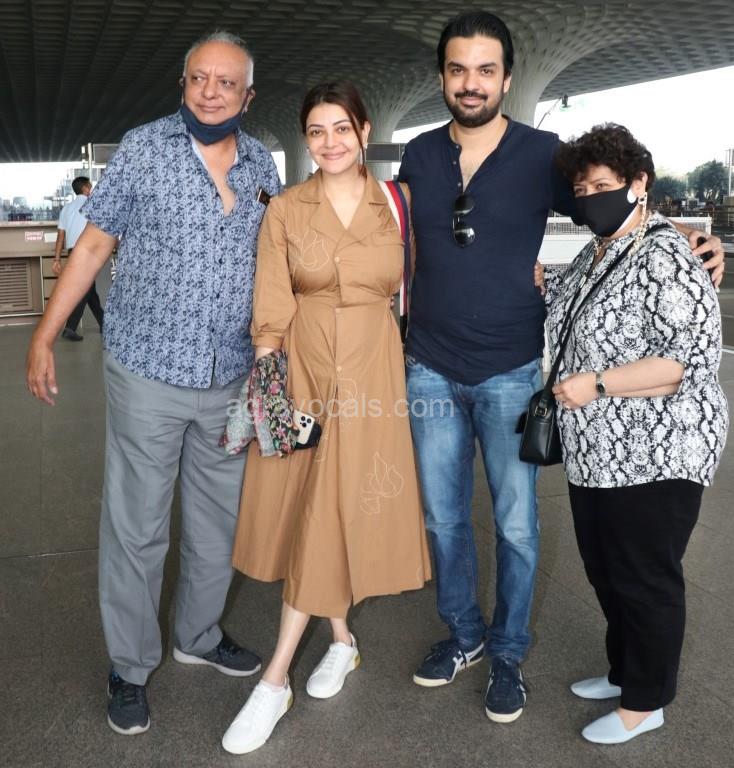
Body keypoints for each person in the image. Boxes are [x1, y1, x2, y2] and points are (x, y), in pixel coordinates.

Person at [397, 10, 726, 724]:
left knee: (516, 525)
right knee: (443, 519)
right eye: (458, 69)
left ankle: (508, 652)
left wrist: (689, 235)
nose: (472, 83)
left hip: (512, 368)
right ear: (443, 77)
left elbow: (614, 206)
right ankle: (464, 635)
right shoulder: (418, 156)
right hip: (429, 365)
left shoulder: (544, 154)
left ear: (507, 78)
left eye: (486, 70)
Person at [26, 31, 281, 736]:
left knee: (216, 523)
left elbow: (279, 258)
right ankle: (130, 666)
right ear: (183, 83)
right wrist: (45, 334)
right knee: (137, 527)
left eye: (226, 82)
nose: (211, 91)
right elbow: (94, 244)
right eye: (199, 78)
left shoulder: (262, 162)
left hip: (230, 374)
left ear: (247, 96)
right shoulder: (143, 149)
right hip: (149, 370)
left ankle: (198, 636)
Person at [221, 80, 431, 755]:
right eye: (317, 131)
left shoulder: (398, 204)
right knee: (314, 506)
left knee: (333, 506)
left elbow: (442, 271)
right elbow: (271, 303)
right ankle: (338, 640)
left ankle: (275, 679)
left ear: (365, 131)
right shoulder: (285, 209)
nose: (330, 142)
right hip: (305, 370)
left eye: (342, 128)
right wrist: (269, 389)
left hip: (372, 372)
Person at [545, 123, 728, 744]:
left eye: (602, 185)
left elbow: (687, 361)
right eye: (581, 189)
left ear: (638, 183)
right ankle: (625, 671)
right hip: (598, 451)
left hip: (657, 449)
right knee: (606, 569)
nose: (590, 197)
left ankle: (646, 702)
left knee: (645, 576)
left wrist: (597, 384)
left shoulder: (667, 254)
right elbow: (559, 306)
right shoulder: (596, 252)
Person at [52, 176, 104, 341]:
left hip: (72, 252)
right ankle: (70, 328)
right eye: (90, 186)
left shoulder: (66, 209)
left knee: (90, 290)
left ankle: (104, 324)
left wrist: (56, 259)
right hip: (88, 252)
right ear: (86, 188)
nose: (92, 189)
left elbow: (60, 237)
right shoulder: (94, 204)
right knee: (84, 289)